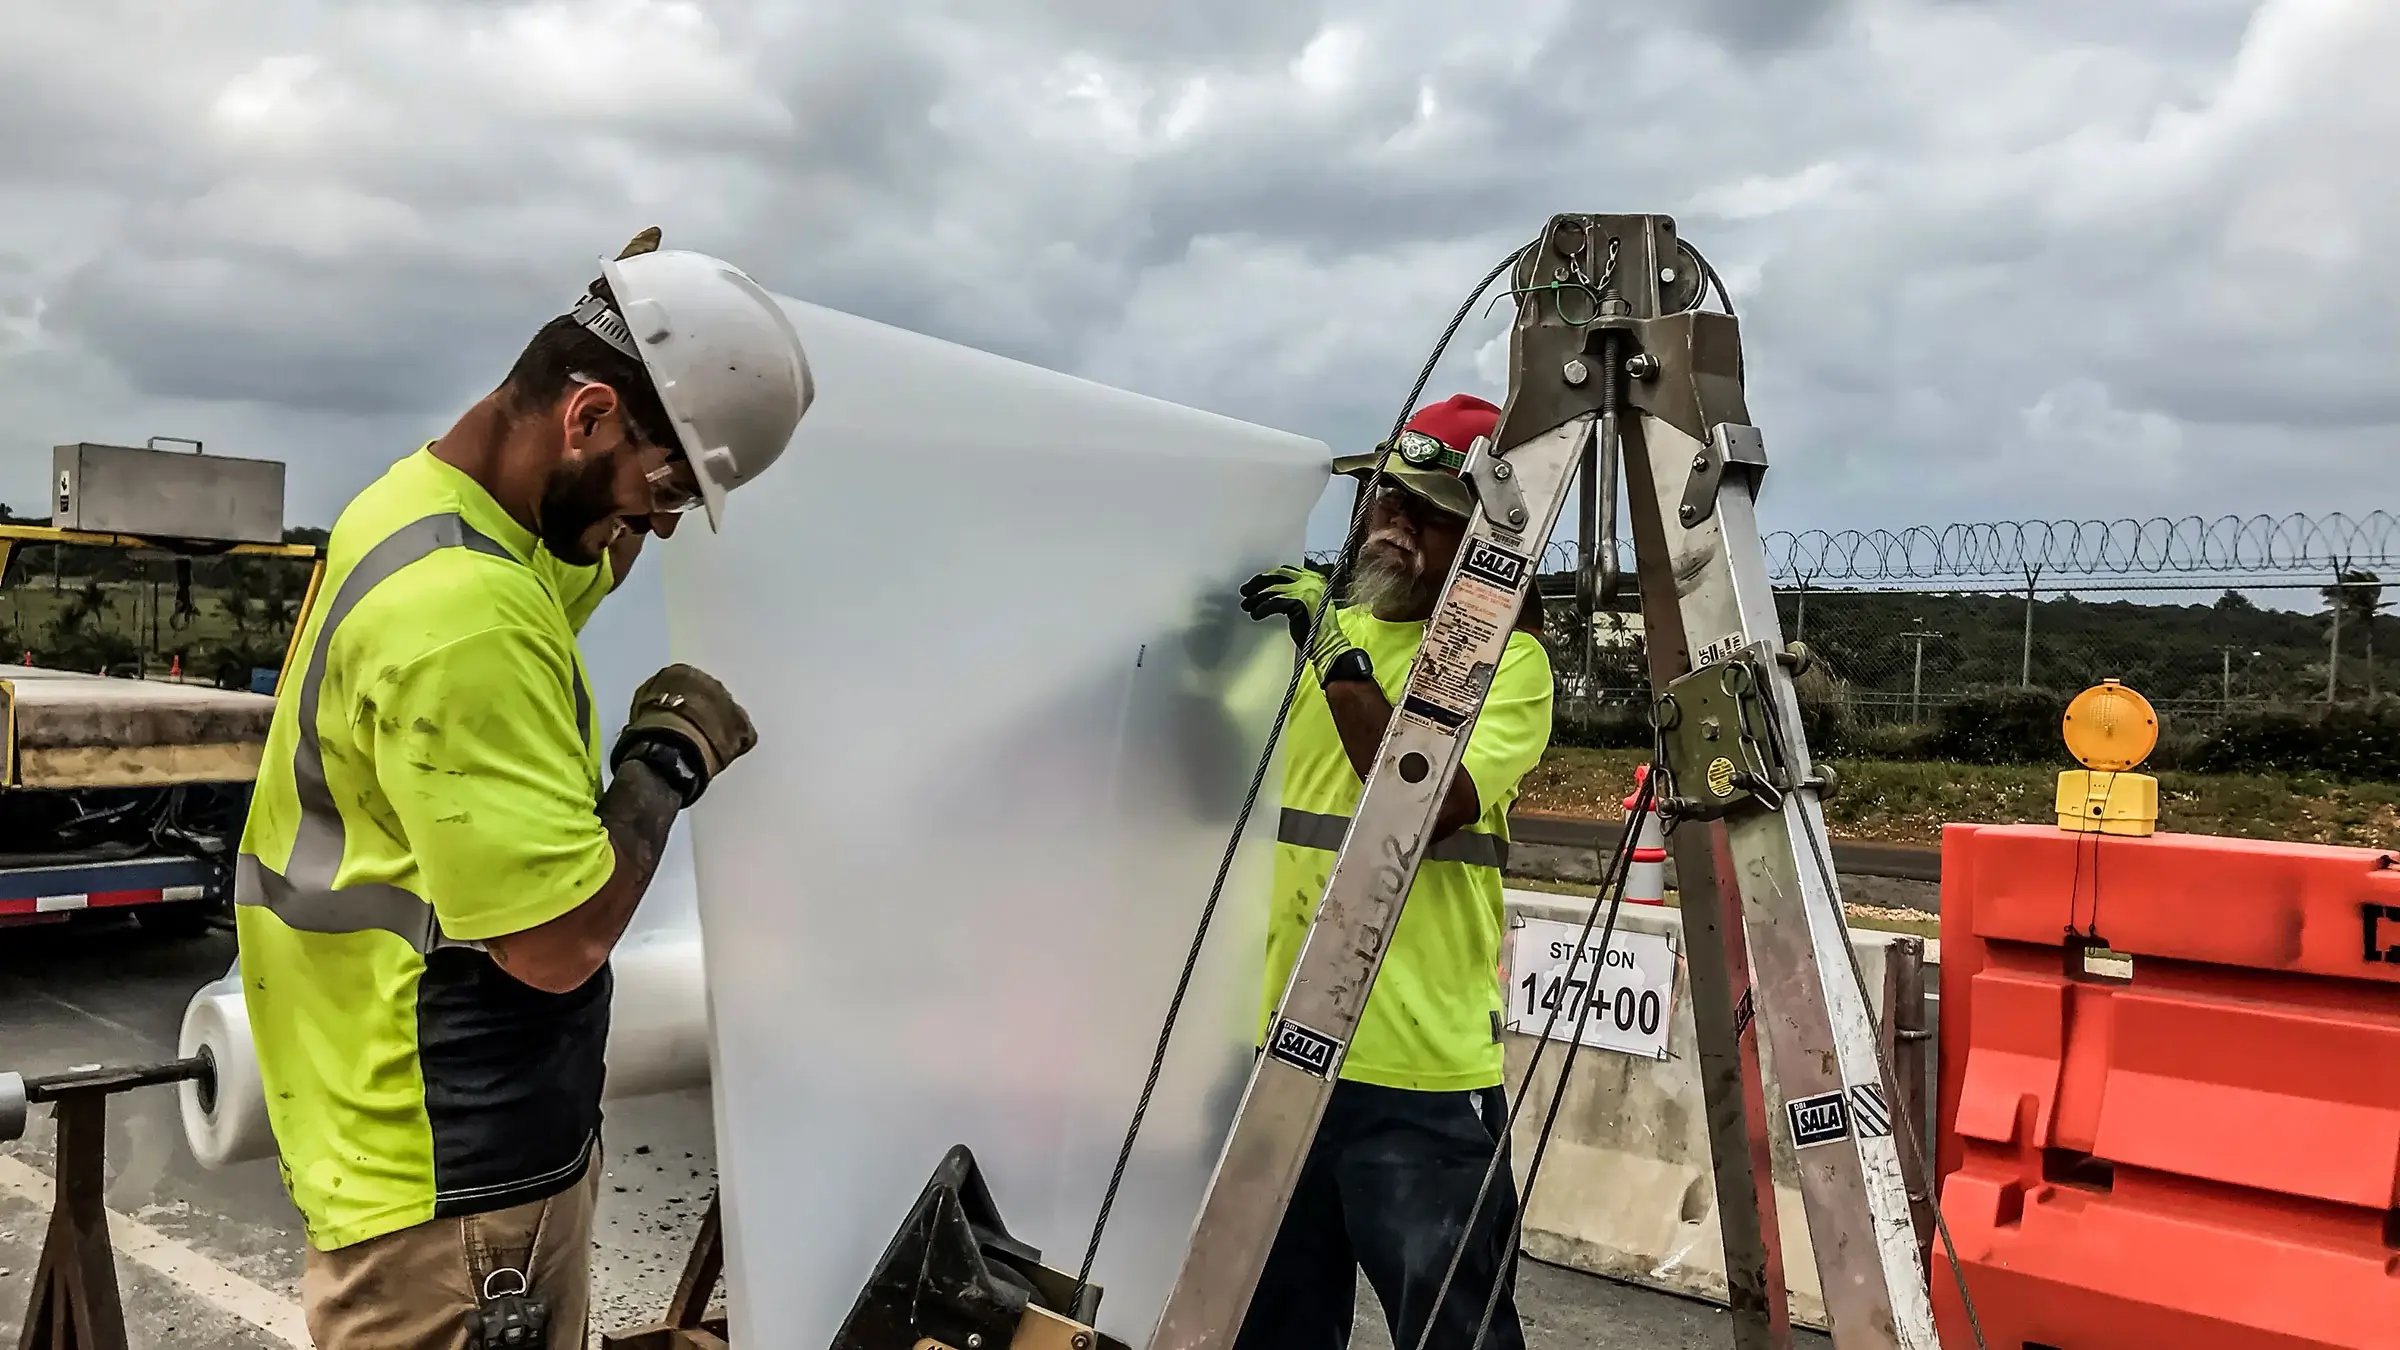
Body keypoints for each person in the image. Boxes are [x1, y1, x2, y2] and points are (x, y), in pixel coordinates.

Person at [234, 229, 812, 1348]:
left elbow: (591, 552)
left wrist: (626, 313)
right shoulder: (465, 621)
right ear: (587, 413)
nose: (654, 522)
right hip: (456, 1182)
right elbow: (555, 946)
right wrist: (667, 758)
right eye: (664, 485)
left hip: (378, 1120)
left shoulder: (424, 510)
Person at [1234, 392, 1553, 1350]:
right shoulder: (1324, 631)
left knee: (1454, 1333)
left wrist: (1332, 660)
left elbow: (1428, 797)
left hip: (1415, 1080)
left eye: (1423, 514)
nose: (1392, 529)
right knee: (1268, 1326)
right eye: (1384, 502)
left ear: (1487, 535)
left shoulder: (1507, 663)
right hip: (1278, 1052)